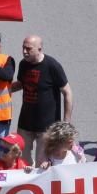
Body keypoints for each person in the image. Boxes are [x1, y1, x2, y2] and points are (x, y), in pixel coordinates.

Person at [10, 35, 73, 165]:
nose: (24, 52)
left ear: (39, 49)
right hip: (25, 123)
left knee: (42, 164)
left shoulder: (52, 66)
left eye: (28, 49)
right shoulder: (23, 64)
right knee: (21, 161)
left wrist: (66, 123)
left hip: (46, 127)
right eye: (23, 48)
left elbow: (67, 92)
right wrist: (3, 90)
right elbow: (22, 83)